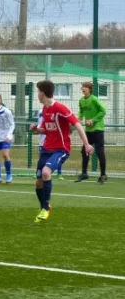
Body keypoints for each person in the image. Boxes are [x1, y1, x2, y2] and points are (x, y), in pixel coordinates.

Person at [29, 80, 93, 223]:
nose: (37, 94)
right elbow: (47, 129)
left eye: (38, 91)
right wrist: (37, 130)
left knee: (46, 173)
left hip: (61, 149)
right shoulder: (45, 109)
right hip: (46, 149)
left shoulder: (60, 108)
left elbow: (76, 124)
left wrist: (87, 144)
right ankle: (45, 207)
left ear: (43, 93)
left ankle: (45, 209)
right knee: (39, 182)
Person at [75, 81, 107, 183]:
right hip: (88, 131)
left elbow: (103, 111)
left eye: (85, 87)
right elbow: (81, 111)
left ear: (90, 89)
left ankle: (103, 175)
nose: (83, 88)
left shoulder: (94, 99)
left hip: (98, 129)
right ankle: (84, 173)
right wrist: (79, 119)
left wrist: (93, 120)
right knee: (85, 151)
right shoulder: (81, 101)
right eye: (82, 87)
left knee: (100, 152)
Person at [37, 111, 63, 180]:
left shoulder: (56, 111)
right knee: (41, 158)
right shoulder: (40, 111)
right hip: (43, 140)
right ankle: (39, 173)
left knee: (56, 157)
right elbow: (40, 123)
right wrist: (37, 129)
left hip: (53, 140)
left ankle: (59, 173)